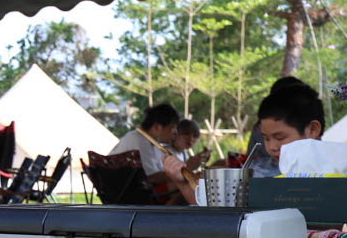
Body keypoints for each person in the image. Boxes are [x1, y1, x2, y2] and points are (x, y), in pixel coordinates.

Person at [165, 83, 325, 204]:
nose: (271, 147)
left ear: (312, 129)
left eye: (280, 138)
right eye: (266, 138)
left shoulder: (343, 170)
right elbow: (213, 208)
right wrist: (182, 183)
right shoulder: (254, 172)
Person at [109, 103, 180, 186]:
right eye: (173, 127)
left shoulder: (148, 141)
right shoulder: (139, 140)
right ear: (156, 127)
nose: (175, 132)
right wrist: (184, 170)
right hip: (127, 194)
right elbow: (152, 178)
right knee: (179, 187)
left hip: (129, 191)